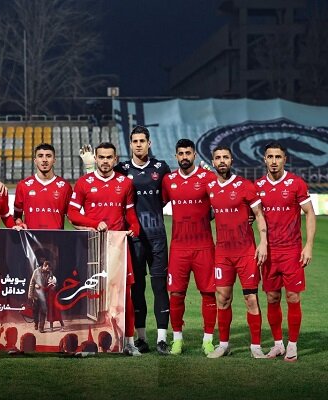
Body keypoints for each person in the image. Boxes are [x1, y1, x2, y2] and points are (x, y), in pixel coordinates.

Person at [80, 126, 172, 355]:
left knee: (160, 287)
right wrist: (89, 165)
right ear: (130, 144)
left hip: (157, 236)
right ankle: (141, 338)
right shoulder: (122, 168)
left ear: (149, 143)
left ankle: (162, 338)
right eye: (135, 141)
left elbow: (172, 195)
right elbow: (100, 178)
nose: (139, 144)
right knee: (136, 288)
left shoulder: (161, 168)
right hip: (132, 238)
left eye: (142, 141)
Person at [67, 142, 141, 356]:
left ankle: (129, 342)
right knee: (91, 295)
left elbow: (130, 213)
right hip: (93, 246)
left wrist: (135, 227)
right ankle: (89, 343)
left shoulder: (125, 183)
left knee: (124, 294)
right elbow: (72, 213)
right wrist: (94, 223)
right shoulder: (84, 183)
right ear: (96, 159)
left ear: (115, 159)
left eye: (109, 157)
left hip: (118, 247)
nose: (105, 161)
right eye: (101, 157)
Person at [205, 146, 268, 359]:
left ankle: (256, 346)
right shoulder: (209, 187)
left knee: (251, 298)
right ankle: (224, 345)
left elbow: (259, 214)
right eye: (218, 158)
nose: (222, 161)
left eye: (226, 157)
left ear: (231, 160)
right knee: (223, 298)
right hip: (222, 253)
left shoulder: (245, 186)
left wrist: (263, 243)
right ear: (213, 162)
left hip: (246, 252)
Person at [255, 141, 316, 362]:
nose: (274, 161)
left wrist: (308, 245)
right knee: (272, 298)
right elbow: (254, 215)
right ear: (264, 159)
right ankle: (278, 344)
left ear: (284, 159)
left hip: (292, 251)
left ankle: (292, 345)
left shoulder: (296, 183)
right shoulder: (258, 185)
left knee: (292, 296)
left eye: (278, 157)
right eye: (270, 157)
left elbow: (309, 213)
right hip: (269, 252)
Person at [161, 138, 216, 356]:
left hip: (204, 247)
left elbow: (220, 204)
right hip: (179, 248)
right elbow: (156, 205)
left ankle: (208, 340)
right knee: (176, 293)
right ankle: (177, 340)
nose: (184, 157)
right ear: (176, 156)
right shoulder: (169, 180)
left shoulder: (208, 178)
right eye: (181, 153)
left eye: (188, 153)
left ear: (195, 155)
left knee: (209, 294)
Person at [14, 143, 72, 230]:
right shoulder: (23, 185)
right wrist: (19, 223)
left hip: (57, 238)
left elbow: (72, 216)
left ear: (54, 160)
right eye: (40, 156)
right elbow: (17, 216)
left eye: (48, 156)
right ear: (35, 160)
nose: (44, 160)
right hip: (30, 238)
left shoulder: (65, 187)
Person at [28, 261, 53, 333]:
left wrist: (50, 285)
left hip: (44, 296)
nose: (48, 270)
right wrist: (30, 295)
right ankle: (36, 323)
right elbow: (32, 283)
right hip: (36, 295)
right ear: (44, 266)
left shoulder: (50, 273)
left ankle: (41, 327)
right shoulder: (36, 272)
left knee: (43, 311)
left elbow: (52, 282)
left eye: (49, 269)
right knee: (35, 311)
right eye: (47, 268)